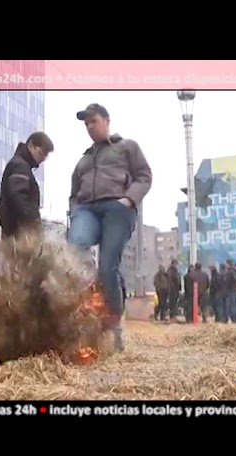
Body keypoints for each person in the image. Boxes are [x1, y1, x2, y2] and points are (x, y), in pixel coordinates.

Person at [67, 104, 152, 351]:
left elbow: (144, 176)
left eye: (93, 121)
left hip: (117, 208)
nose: (89, 127)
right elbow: (73, 192)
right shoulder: (84, 159)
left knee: (108, 265)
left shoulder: (127, 147)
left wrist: (128, 200)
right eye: (86, 124)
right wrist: (75, 210)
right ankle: (85, 310)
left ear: (106, 120)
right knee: (75, 251)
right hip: (86, 210)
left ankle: (114, 326)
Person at [0, 132, 54, 238]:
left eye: (46, 156)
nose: (43, 158)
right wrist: (32, 223)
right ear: (31, 146)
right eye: (42, 153)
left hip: (15, 228)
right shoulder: (20, 166)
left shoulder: (21, 165)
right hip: (19, 230)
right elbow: (18, 196)